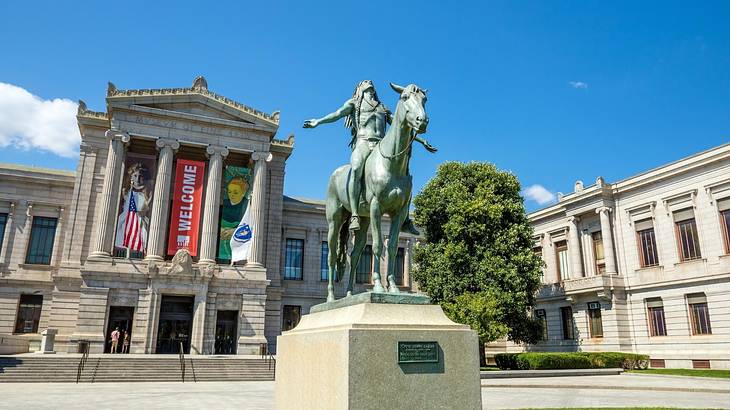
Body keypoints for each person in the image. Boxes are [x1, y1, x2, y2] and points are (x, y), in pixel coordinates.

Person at [304, 80, 436, 233]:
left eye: (371, 84)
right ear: (360, 88)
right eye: (365, 84)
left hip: (379, 146)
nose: (369, 84)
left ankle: (405, 219)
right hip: (363, 143)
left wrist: (421, 140)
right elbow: (337, 114)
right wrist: (318, 121)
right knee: (356, 167)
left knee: (403, 174)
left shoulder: (381, 107)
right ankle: (354, 214)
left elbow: (399, 123)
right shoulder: (354, 104)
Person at [114, 162, 152, 254]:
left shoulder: (147, 193)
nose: (137, 179)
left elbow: (145, 208)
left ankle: (137, 253)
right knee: (123, 240)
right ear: (131, 177)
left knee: (141, 241)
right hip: (127, 219)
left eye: (140, 176)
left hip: (140, 221)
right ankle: (124, 253)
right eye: (135, 176)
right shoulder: (125, 191)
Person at [219, 175, 250, 260]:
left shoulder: (247, 206)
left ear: (243, 193)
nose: (231, 195)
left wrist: (233, 232)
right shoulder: (224, 204)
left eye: (235, 192)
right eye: (229, 192)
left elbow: (248, 227)